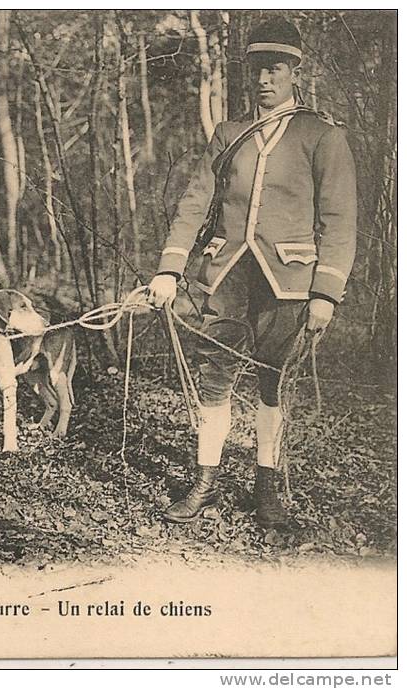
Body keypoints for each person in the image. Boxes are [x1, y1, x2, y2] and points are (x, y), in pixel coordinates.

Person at [147, 18, 357, 528]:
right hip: (226, 277)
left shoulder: (322, 135)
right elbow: (194, 202)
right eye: (257, 69)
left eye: (276, 69)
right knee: (213, 382)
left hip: (288, 281)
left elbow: (340, 219)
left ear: (295, 73)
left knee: (273, 385)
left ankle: (267, 490)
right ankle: (205, 483)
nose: (265, 79)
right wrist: (170, 269)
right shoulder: (228, 133)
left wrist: (325, 292)